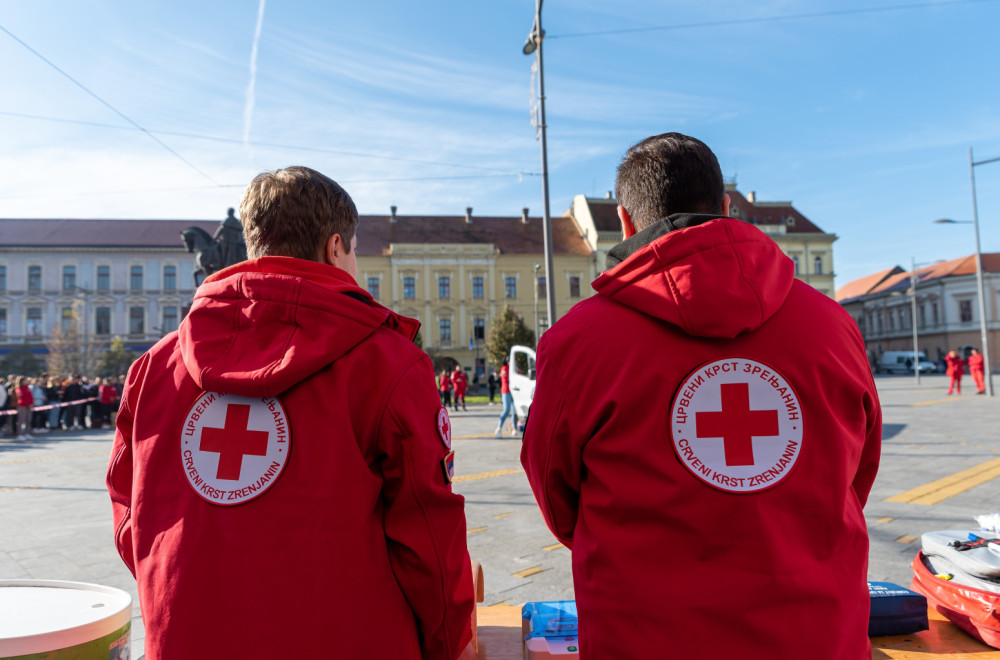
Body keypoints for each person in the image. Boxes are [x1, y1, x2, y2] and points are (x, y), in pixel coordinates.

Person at [520, 133, 882, 660]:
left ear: (624, 221)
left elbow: (556, 495)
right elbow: (857, 471)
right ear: (727, 209)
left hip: (646, 637)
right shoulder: (833, 325)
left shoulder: (578, 342)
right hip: (814, 636)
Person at [106, 166, 474, 660]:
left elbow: (131, 516)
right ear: (335, 247)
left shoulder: (152, 369)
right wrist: (452, 642)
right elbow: (428, 535)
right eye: (357, 251)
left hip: (188, 640)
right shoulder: (387, 364)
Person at [494, 359, 515, 437]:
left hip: (513, 390)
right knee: (506, 410)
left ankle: (515, 428)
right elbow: (506, 379)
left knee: (514, 410)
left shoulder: (512, 369)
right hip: (506, 391)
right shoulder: (504, 368)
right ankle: (499, 428)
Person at [15, 376, 34, 442]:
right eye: (25, 380)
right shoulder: (19, 389)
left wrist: (31, 403)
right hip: (22, 406)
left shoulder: (28, 388)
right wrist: (28, 404)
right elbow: (21, 398)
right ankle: (19, 434)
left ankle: (27, 433)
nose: (27, 381)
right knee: (21, 420)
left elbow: (30, 396)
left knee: (29, 420)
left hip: (29, 406)